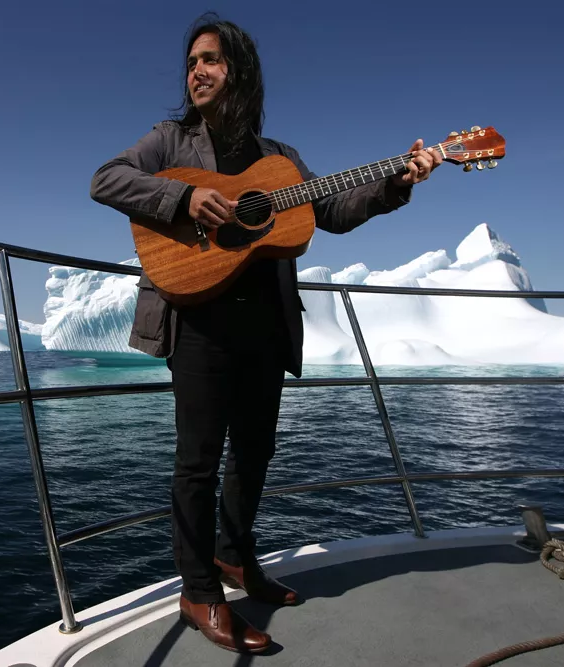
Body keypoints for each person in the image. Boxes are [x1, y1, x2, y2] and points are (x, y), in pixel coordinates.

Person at [89, 14, 441, 654]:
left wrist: (395, 183)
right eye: (193, 61)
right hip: (196, 320)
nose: (198, 70)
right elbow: (106, 179)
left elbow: (330, 210)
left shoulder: (280, 160)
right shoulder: (170, 140)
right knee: (197, 462)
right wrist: (184, 201)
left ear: (240, 72)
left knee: (254, 453)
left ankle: (234, 559)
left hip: (264, 326)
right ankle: (198, 592)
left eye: (211, 60)